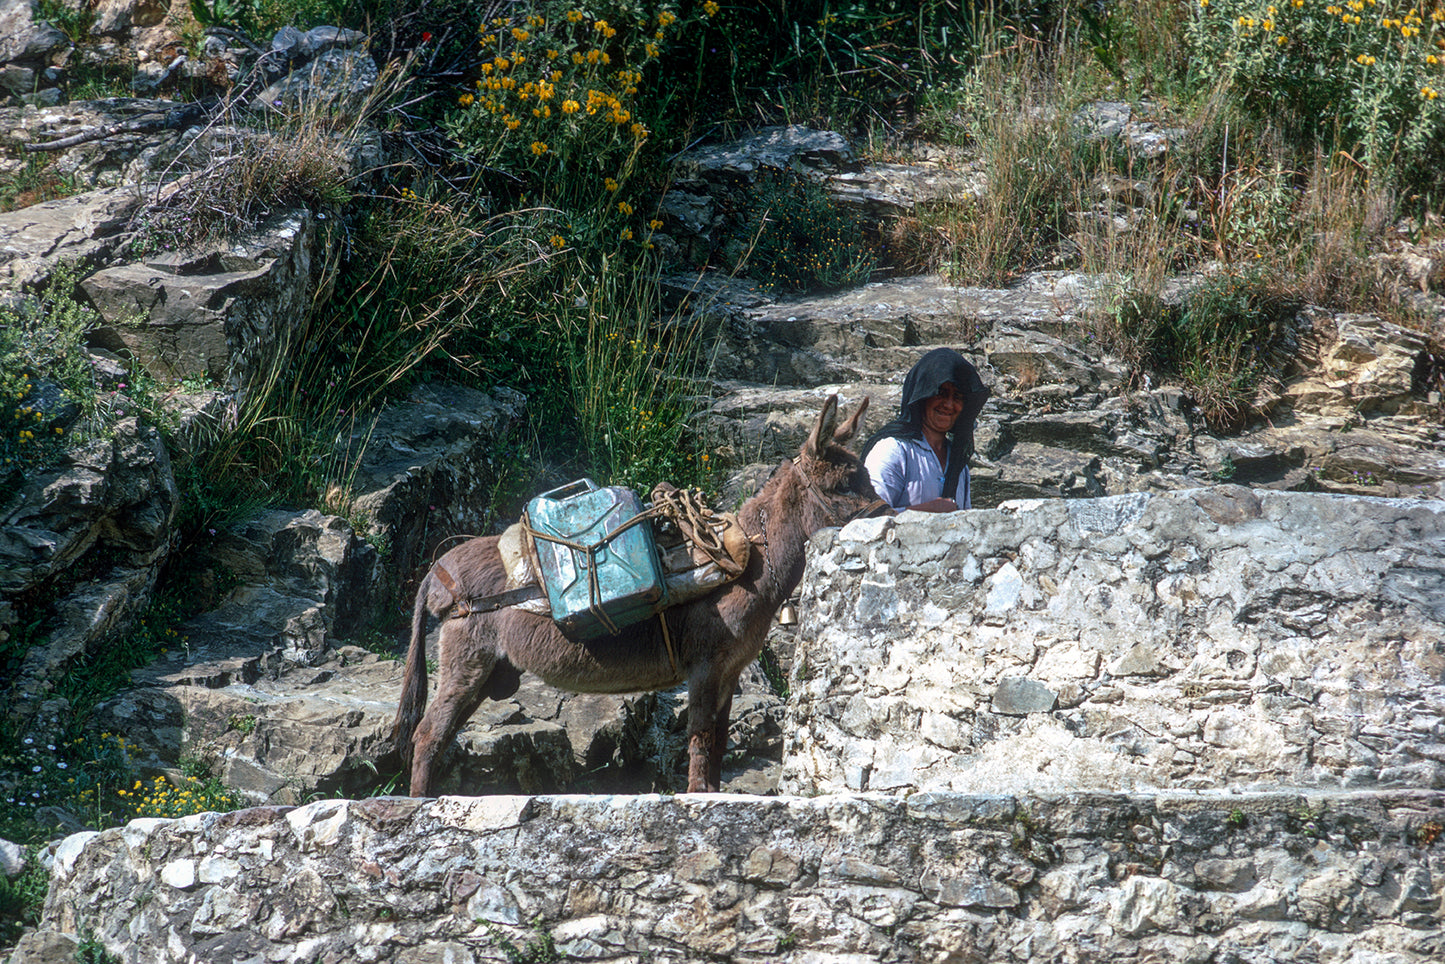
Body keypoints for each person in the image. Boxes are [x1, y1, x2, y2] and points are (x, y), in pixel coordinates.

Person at [861, 347, 989, 513]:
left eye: (957, 397)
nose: (949, 405)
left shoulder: (959, 465)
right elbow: (868, 519)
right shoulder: (893, 450)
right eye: (940, 393)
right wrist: (928, 512)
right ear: (923, 395)